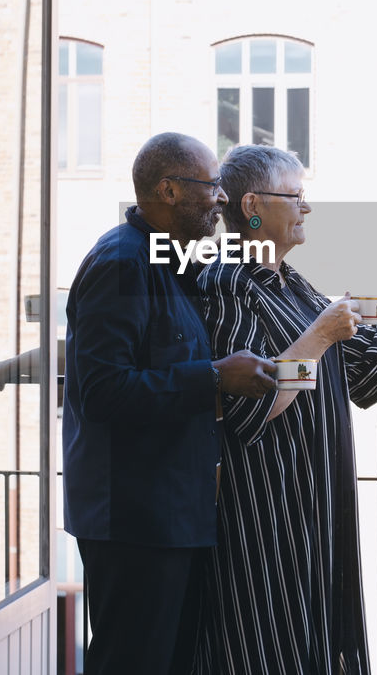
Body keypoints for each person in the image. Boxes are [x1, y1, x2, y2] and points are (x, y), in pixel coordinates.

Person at [195, 145, 377, 673]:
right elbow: (250, 406)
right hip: (267, 514)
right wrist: (320, 334)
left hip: (315, 510)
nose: (307, 208)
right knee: (267, 645)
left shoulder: (289, 282)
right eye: (297, 195)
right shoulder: (229, 285)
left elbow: (366, 350)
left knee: (318, 639)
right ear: (253, 205)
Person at [62, 132, 278, 675]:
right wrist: (213, 377)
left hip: (168, 515)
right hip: (137, 520)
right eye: (212, 187)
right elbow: (104, 391)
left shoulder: (167, 262)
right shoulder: (121, 264)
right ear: (169, 191)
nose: (223, 199)